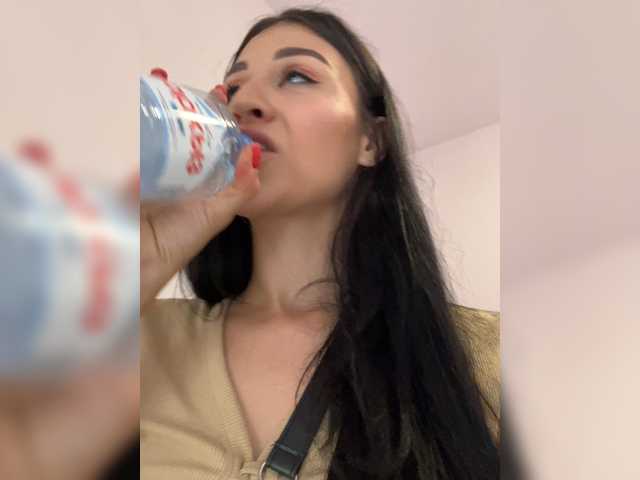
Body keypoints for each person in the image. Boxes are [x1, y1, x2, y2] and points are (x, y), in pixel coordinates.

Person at [141, 7, 500, 480]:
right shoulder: (142, 337)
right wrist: (145, 254)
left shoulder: (481, 355)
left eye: (296, 76)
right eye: (234, 87)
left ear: (371, 141)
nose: (246, 104)